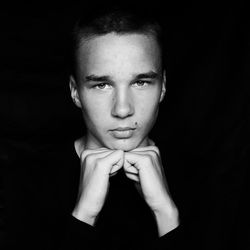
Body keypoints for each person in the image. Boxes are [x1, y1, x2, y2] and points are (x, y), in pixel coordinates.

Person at [66, 6, 180, 250]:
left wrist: (166, 214)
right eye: (101, 85)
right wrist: (84, 215)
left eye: (141, 82)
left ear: (163, 87)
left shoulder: (212, 180)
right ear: (75, 92)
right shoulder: (21, 182)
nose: (122, 109)